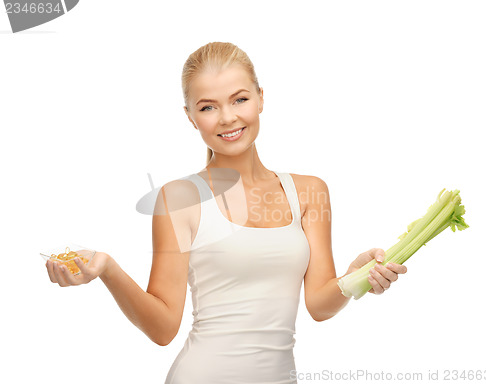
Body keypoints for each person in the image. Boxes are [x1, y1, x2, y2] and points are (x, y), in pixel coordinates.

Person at [45, 41, 408, 384]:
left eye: (240, 99)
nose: (227, 118)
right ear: (190, 116)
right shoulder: (179, 198)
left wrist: (355, 276)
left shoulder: (311, 192)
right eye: (207, 107)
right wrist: (108, 268)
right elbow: (162, 328)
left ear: (261, 98)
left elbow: (320, 305)